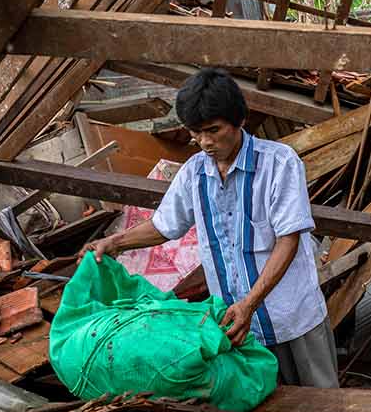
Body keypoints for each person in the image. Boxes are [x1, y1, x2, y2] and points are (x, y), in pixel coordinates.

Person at [85, 67, 339, 388]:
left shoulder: (279, 163)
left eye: (213, 130)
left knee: (324, 402)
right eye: (196, 133)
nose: (204, 142)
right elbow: (165, 226)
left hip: (291, 317)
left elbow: (287, 241)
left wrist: (250, 303)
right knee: (271, 410)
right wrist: (115, 243)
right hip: (237, 328)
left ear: (240, 120)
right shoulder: (194, 173)